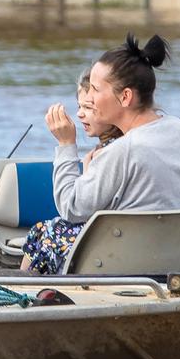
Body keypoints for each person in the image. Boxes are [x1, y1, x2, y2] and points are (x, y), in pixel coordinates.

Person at [28, 33, 180, 274]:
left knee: (49, 231)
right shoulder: (178, 128)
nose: (88, 98)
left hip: (131, 264)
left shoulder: (120, 151)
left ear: (125, 97)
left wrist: (66, 144)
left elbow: (70, 208)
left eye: (94, 89)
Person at [20, 69, 124, 273]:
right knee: (43, 229)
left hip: (109, 246)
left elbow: (74, 210)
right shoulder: (113, 148)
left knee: (51, 230)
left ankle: (23, 287)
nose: (79, 114)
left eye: (88, 107)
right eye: (79, 106)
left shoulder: (108, 154)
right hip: (113, 239)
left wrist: (66, 143)